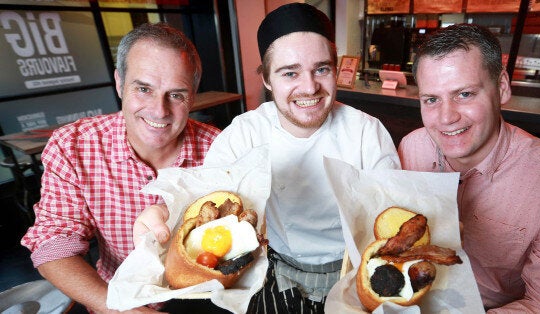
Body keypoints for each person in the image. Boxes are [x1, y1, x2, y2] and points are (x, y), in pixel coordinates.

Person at [134, 3, 400, 313]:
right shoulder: (244, 133)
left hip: (352, 272)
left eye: (322, 69)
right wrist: (164, 210)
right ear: (268, 80)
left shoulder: (367, 132)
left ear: (336, 68)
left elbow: (389, 216)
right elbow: (206, 197)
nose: (309, 87)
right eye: (290, 72)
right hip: (274, 269)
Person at [397, 23, 540, 313]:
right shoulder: (411, 148)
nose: (446, 117)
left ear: (502, 87)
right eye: (431, 99)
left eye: (464, 94)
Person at [21, 23, 221, 313]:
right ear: (119, 82)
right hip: (113, 298)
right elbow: (53, 244)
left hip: (204, 299)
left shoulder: (219, 148)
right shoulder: (74, 146)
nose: (159, 110)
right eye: (143, 89)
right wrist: (120, 309)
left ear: (193, 94)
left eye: (176, 94)